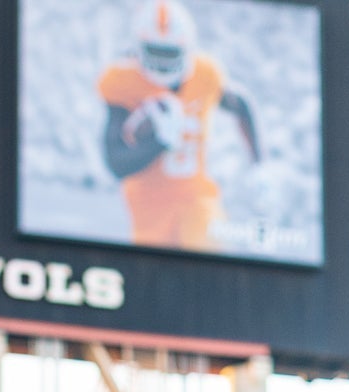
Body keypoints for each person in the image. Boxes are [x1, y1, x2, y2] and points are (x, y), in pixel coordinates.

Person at [100, 0, 259, 252]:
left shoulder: (205, 74)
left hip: (196, 196)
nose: (163, 63)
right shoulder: (123, 83)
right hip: (148, 207)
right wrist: (160, 142)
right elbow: (116, 162)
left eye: (170, 53)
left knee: (208, 251)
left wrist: (257, 161)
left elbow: (241, 104)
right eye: (155, 52)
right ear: (138, 49)